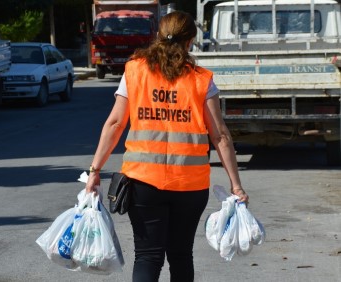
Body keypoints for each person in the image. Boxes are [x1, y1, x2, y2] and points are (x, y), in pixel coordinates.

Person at [85, 11, 249, 282]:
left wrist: (95, 170)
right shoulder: (201, 80)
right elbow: (220, 135)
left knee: (148, 256)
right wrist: (236, 185)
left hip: (143, 183)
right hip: (190, 185)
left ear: (158, 36)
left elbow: (115, 124)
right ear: (191, 41)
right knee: (181, 255)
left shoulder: (134, 71)